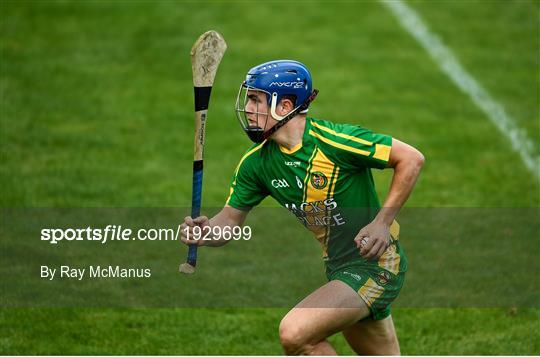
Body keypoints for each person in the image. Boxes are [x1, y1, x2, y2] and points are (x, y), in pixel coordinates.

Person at [181, 60, 424, 355]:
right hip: (340, 270)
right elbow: (229, 222)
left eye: (256, 99)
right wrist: (205, 233)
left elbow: (411, 159)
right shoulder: (256, 164)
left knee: (295, 333)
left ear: (284, 106)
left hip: (377, 265)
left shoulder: (334, 142)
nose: (247, 108)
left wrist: (382, 222)